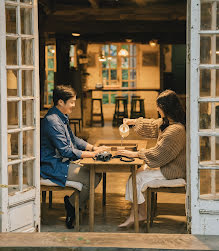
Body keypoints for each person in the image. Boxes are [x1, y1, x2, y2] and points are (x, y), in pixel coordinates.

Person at [117, 89, 186, 228]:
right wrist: (132, 122)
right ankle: (138, 213)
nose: (157, 109)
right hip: (168, 165)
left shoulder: (176, 130)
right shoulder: (169, 123)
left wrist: (135, 154)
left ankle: (138, 214)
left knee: (136, 178)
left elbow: (159, 154)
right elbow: (153, 125)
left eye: (159, 107)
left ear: (165, 108)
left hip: (174, 169)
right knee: (137, 174)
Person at [40, 85, 106, 229]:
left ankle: (74, 205)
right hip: (52, 165)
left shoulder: (60, 116)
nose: (74, 106)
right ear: (60, 102)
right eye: (71, 102)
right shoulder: (52, 121)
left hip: (63, 162)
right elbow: (65, 151)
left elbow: (73, 140)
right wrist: (93, 155)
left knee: (97, 173)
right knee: (93, 177)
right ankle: (72, 205)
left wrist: (93, 148)